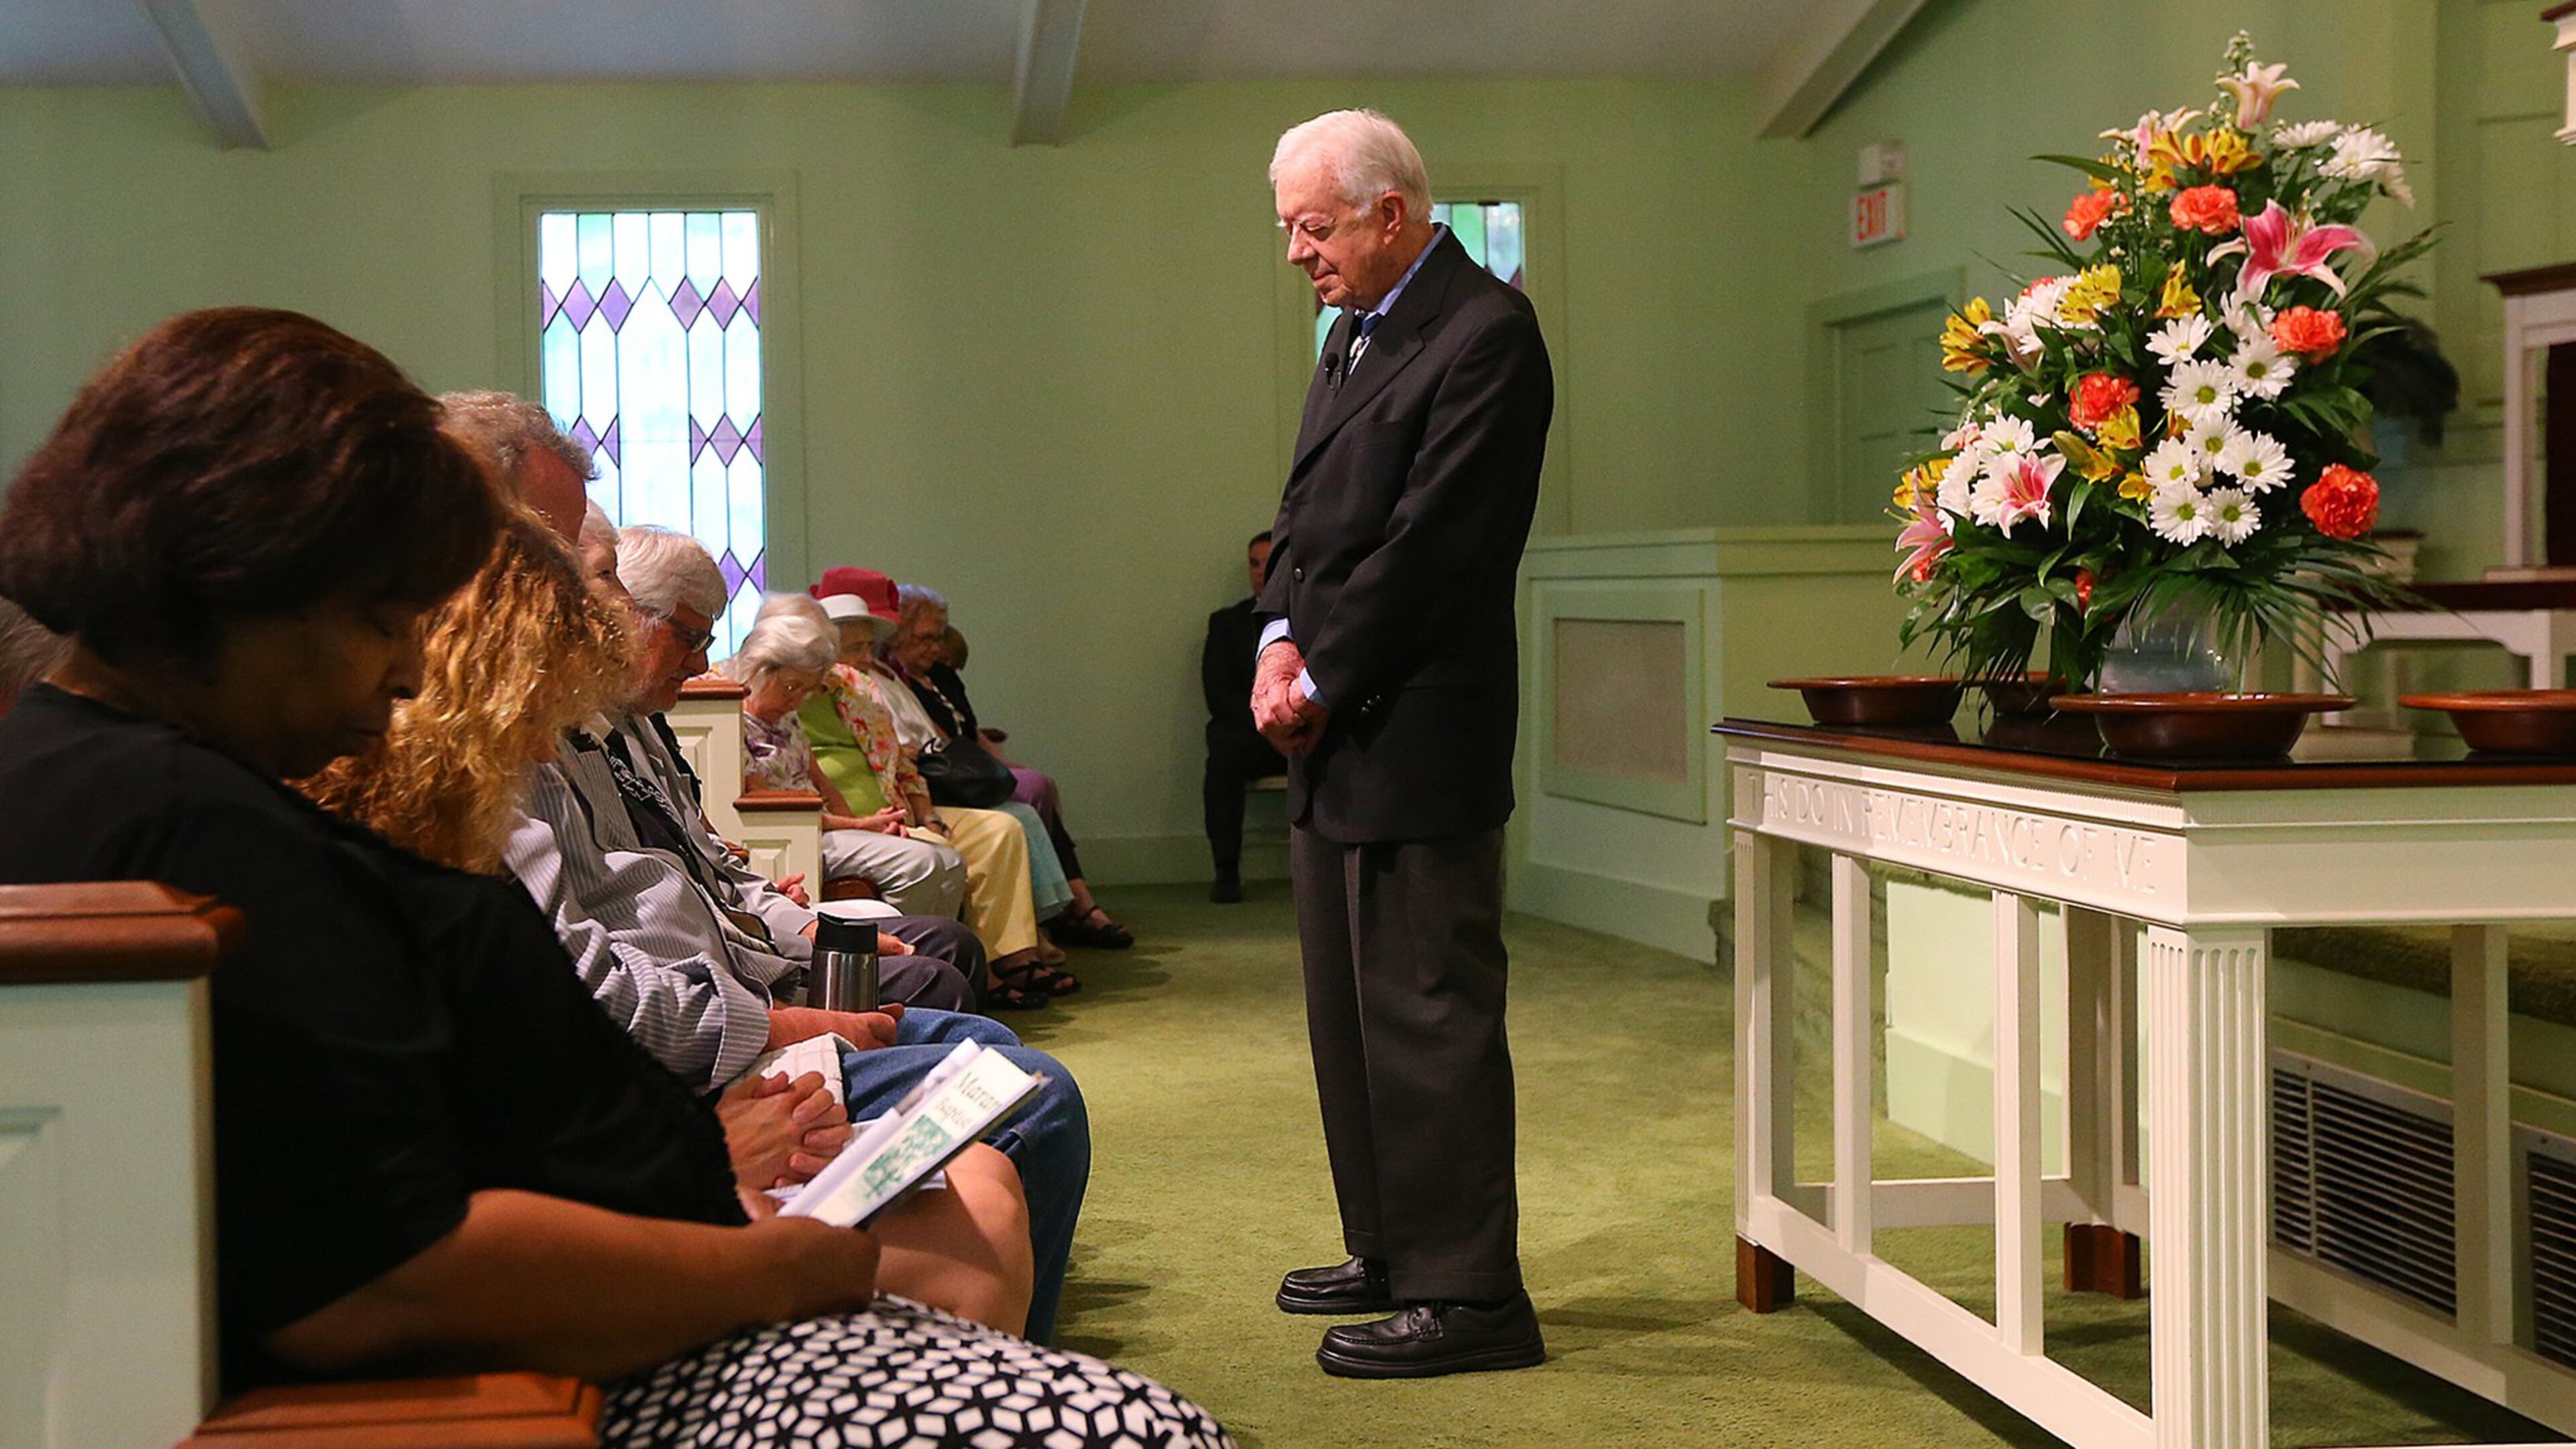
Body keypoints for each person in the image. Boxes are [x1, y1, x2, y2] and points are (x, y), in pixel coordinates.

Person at [0, 307, 1230, 1444]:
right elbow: (383, 1275)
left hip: (653, 1269)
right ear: (256, 577)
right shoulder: (185, 826)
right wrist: (786, 1267)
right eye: (386, 619)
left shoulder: (148, 782)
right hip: (591, 1369)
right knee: (1134, 1428)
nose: (406, 674)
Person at [304, 505, 1034, 1334]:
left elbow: (696, 889)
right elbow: (415, 1229)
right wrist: (724, 1174)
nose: (553, 753)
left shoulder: (487, 830)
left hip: (642, 1151)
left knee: (979, 1176)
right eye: (541, 710)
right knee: (983, 1209)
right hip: (572, 1256)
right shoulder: (405, 875)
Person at [1255, 109, 1554, 1379]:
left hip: (1415, 723)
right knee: (1353, 1013)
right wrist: (1275, 637)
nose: (1296, 255)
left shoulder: (1487, 333)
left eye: (1313, 228)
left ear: (1391, 213)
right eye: (1287, 230)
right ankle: (1389, 1247)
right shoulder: (1351, 335)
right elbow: (1305, 518)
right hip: (1331, 724)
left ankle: (1474, 1296)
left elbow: (1436, 549)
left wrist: (1321, 669)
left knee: (1428, 1011)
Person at [772, 588, 1068, 1007]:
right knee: (940, 854)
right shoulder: (780, 694)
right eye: (849, 648)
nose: (859, 657)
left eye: (864, 647)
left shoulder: (856, 686)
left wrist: (926, 814)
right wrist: (865, 821)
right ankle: (951, 971)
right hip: (852, 820)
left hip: (899, 804)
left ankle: (1010, 957)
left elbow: (900, 759)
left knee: (1002, 828)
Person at [890, 580, 1135, 949]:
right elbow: (938, 741)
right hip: (945, 778)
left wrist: (1006, 764)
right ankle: (1059, 913)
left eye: (939, 638)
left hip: (966, 767)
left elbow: (972, 733)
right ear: (899, 635)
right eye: (924, 639)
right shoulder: (900, 682)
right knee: (1031, 790)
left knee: (1038, 783)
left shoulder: (941, 674)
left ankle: (1069, 905)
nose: (934, 648)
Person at [729, 600, 971, 921]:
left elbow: (823, 785)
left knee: (951, 861)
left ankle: (935, 954)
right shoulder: (734, 726)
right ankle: (891, 957)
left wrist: (869, 830)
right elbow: (779, 809)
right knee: (920, 864)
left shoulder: (787, 719)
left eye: (806, 691)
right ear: (758, 670)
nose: (796, 700)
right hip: (791, 837)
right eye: (791, 687)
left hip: (826, 831)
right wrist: (861, 825)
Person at [1201, 531, 1287, 903]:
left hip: (1304, 729)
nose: (1260, 571)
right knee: (1221, 750)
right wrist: (1268, 728)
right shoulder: (1226, 624)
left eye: (1269, 561)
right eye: (1254, 563)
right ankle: (1226, 870)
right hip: (1254, 738)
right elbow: (1220, 696)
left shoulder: (1313, 616)